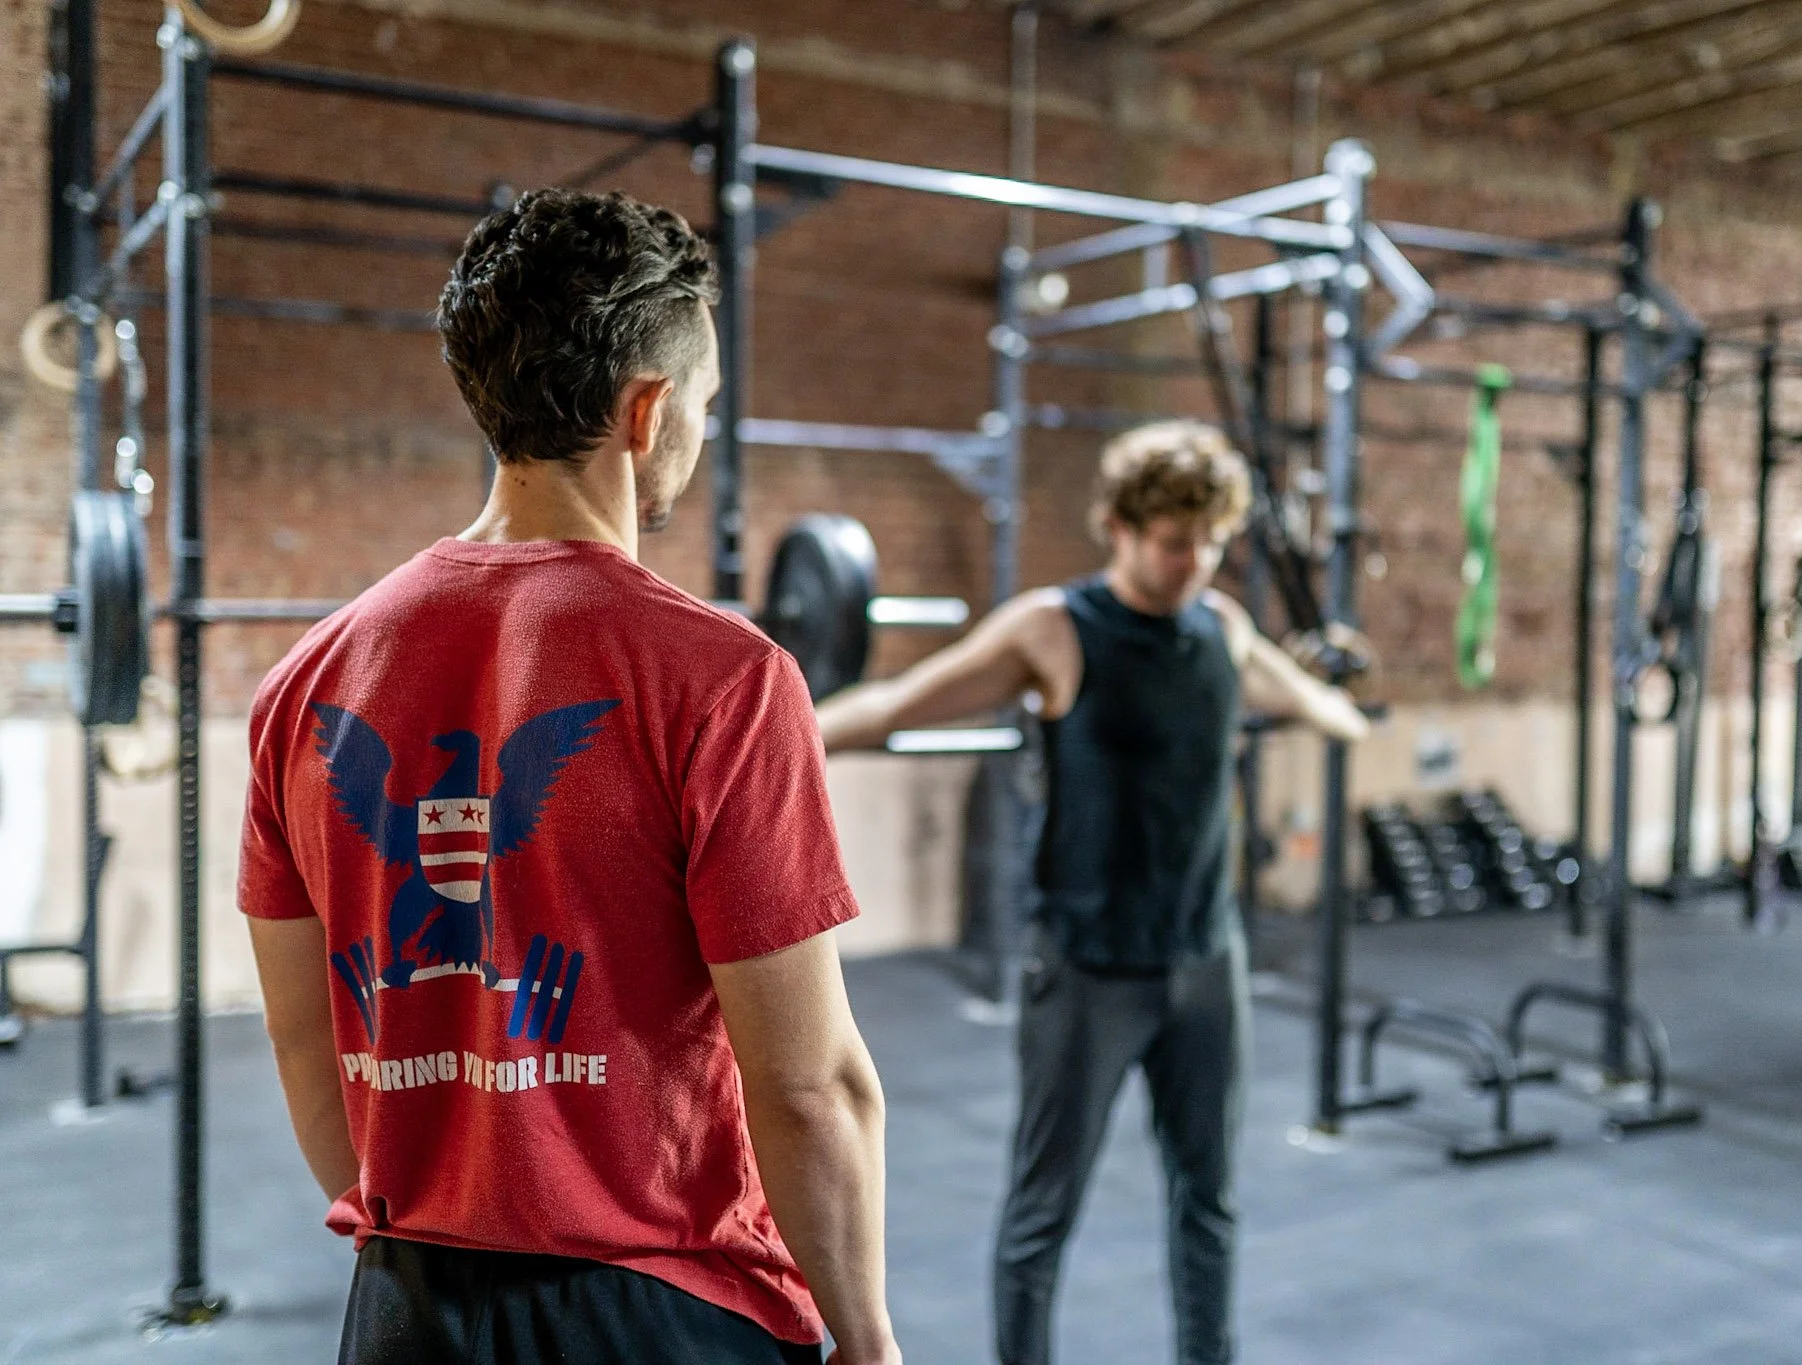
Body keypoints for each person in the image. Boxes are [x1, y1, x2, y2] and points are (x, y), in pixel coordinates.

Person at [238, 189, 900, 1365]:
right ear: (646, 415)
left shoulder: (303, 684)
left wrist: (420, 1232)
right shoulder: (722, 677)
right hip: (654, 1308)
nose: (697, 426)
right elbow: (810, 1086)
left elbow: (304, 1041)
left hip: (403, 1306)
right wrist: (866, 1341)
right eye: (700, 404)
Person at [813, 420, 1370, 1365]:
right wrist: (762, 729)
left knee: (1210, 1200)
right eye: (1172, 538)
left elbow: (1306, 698)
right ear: (1117, 524)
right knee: (1045, 1212)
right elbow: (903, 703)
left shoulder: (1223, 630)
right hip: (1087, 973)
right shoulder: (1055, 627)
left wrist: (1343, 705)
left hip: (1205, 964)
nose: (1193, 560)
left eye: (1210, 541)